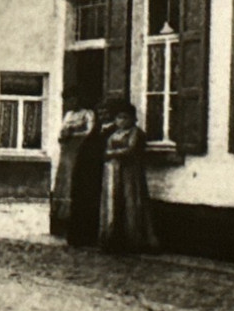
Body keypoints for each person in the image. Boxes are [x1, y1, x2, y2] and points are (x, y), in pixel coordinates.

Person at [99, 102, 158, 253]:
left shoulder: (136, 133)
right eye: (119, 118)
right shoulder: (113, 134)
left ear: (133, 119)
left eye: (125, 118)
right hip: (113, 171)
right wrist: (110, 154)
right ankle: (113, 237)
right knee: (113, 201)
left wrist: (112, 153)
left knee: (131, 200)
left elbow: (131, 149)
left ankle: (134, 239)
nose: (122, 121)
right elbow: (106, 149)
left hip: (130, 172)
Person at [51, 91, 97, 238]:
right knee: (63, 181)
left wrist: (73, 135)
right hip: (67, 150)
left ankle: (74, 218)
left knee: (73, 178)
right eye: (68, 99)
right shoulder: (68, 114)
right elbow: (61, 130)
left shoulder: (87, 113)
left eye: (73, 98)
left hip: (79, 149)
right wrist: (62, 136)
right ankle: (60, 221)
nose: (71, 102)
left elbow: (90, 132)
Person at [66, 102, 109, 248]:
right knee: (84, 201)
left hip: (102, 171)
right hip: (88, 172)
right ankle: (82, 236)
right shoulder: (95, 132)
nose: (103, 116)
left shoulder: (113, 130)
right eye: (100, 113)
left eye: (106, 113)